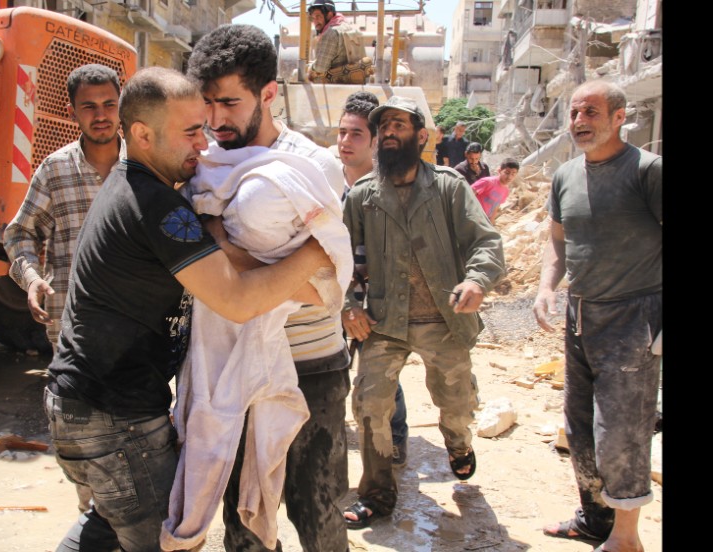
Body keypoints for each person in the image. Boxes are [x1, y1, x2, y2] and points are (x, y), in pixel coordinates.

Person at [44, 66, 333, 552]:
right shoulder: (155, 204)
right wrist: (318, 252)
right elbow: (238, 300)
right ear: (141, 134)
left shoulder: (131, 184)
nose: (203, 144)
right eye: (190, 131)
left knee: (104, 527)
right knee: (173, 542)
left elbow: (232, 267)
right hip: (116, 417)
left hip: (77, 404)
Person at [187, 24, 351, 552]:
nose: (216, 120)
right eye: (207, 104)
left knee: (319, 515)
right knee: (244, 523)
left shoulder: (312, 167)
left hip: (312, 365)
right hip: (230, 370)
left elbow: (325, 284)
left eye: (230, 103)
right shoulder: (203, 166)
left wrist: (225, 252)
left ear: (269, 93)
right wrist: (248, 268)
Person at [341, 95, 505, 529]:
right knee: (370, 405)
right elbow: (339, 260)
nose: (390, 132)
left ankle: (458, 443)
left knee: (456, 401)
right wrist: (348, 304)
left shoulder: (450, 186)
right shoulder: (362, 196)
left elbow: (486, 243)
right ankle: (376, 494)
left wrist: (476, 280)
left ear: (422, 135)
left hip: (445, 320)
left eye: (399, 124)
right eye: (384, 126)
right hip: (383, 323)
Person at [532, 81, 661, 552]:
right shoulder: (566, 174)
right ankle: (594, 520)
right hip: (581, 316)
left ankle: (626, 538)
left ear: (619, 116)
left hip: (635, 317)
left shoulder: (648, 170)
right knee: (580, 424)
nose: (580, 122)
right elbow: (558, 239)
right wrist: (547, 286)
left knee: (621, 430)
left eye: (591, 112)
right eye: (573, 113)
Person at [2, 63, 123, 513]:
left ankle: (128, 517)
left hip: (135, 327)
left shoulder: (143, 168)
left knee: (135, 427)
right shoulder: (54, 171)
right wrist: (31, 278)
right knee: (78, 431)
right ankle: (92, 515)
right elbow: (18, 234)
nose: (101, 115)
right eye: (89, 107)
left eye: (110, 104)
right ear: (74, 112)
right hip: (70, 327)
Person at [335, 94, 410, 467]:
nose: (345, 142)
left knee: (382, 378)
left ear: (377, 140)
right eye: (342, 132)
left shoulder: (393, 190)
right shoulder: (325, 182)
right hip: (334, 298)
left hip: (377, 303)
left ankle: (393, 445)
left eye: (357, 135)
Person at [307, 0, 372, 84]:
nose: (315, 21)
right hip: (356, 85)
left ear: (329, 15)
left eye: (318, 16)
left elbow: (320, 68)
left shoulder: (330, 33)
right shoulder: (349, 28)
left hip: (334, 88)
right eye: (313, 18)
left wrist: (310, 68)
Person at [471, 157, 519, 224]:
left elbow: (496, 207)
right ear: (499, 170)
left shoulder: (505, 191)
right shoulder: (487, 182)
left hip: (484, 222)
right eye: (507, 173)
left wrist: (491, 223)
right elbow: (468, 194)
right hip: (472, 218)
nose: (509, 177)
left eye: (513, 174)